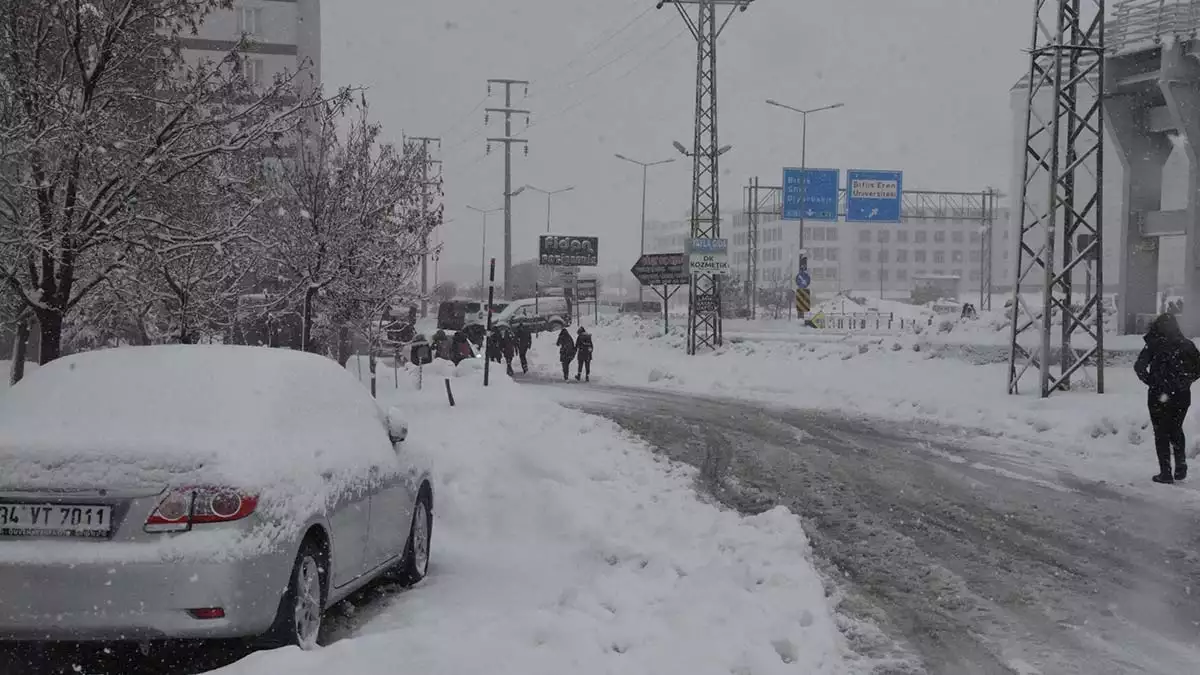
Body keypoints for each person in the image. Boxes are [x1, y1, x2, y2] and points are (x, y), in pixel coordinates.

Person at [1134, 313, 1200, 484]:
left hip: (1159, 395)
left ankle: (1166, 472)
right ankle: (1181, 466)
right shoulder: (1187, 345)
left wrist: (1152, 382)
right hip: (1182, 395)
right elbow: (1199, 368)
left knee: (1161, 432)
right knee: (1176, 428)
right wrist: (1186, 381)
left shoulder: (1154, 345)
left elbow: (1139, 366)